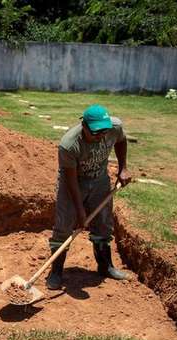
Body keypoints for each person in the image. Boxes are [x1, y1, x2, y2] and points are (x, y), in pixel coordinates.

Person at [46, 104, 132, 290]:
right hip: (74, 184)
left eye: (103, 131)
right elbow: (71, 181)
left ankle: (105, 266)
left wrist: (123, 168)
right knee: (64, 225)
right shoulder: (69, 145)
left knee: (103, 223)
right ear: (84, 125)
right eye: (95, 133)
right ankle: (56, 271)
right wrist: (80, 212)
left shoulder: (114, 127)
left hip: (100, 180)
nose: (100, 135)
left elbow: (121, 140)